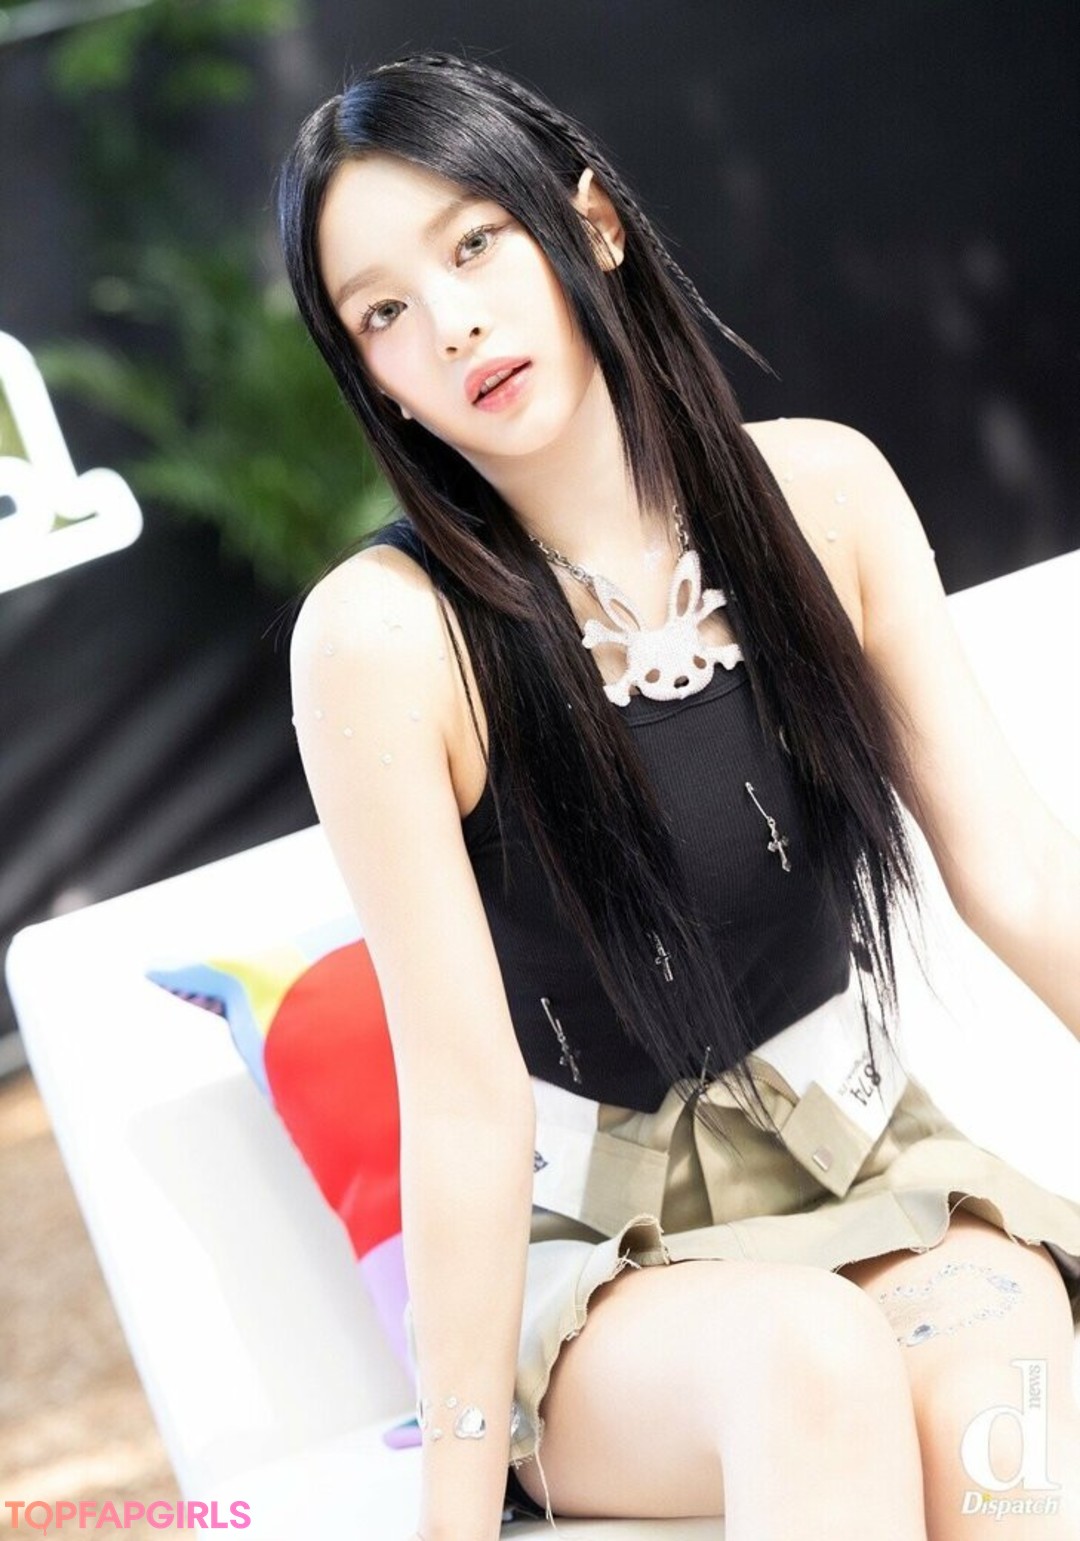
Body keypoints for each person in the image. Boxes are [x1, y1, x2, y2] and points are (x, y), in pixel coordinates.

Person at [277, 50, 1080, 1541]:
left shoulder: (824, 498)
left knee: (1006, 1428)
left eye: (474, 244)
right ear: (371, 375)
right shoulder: (385, 640)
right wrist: (455, 1511)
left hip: (879, 1168)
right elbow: (460, 1096)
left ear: (590, 225)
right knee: (809, 1356)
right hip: (607, 1269)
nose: (449, 324)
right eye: (381, 312)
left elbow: (1021, 869)